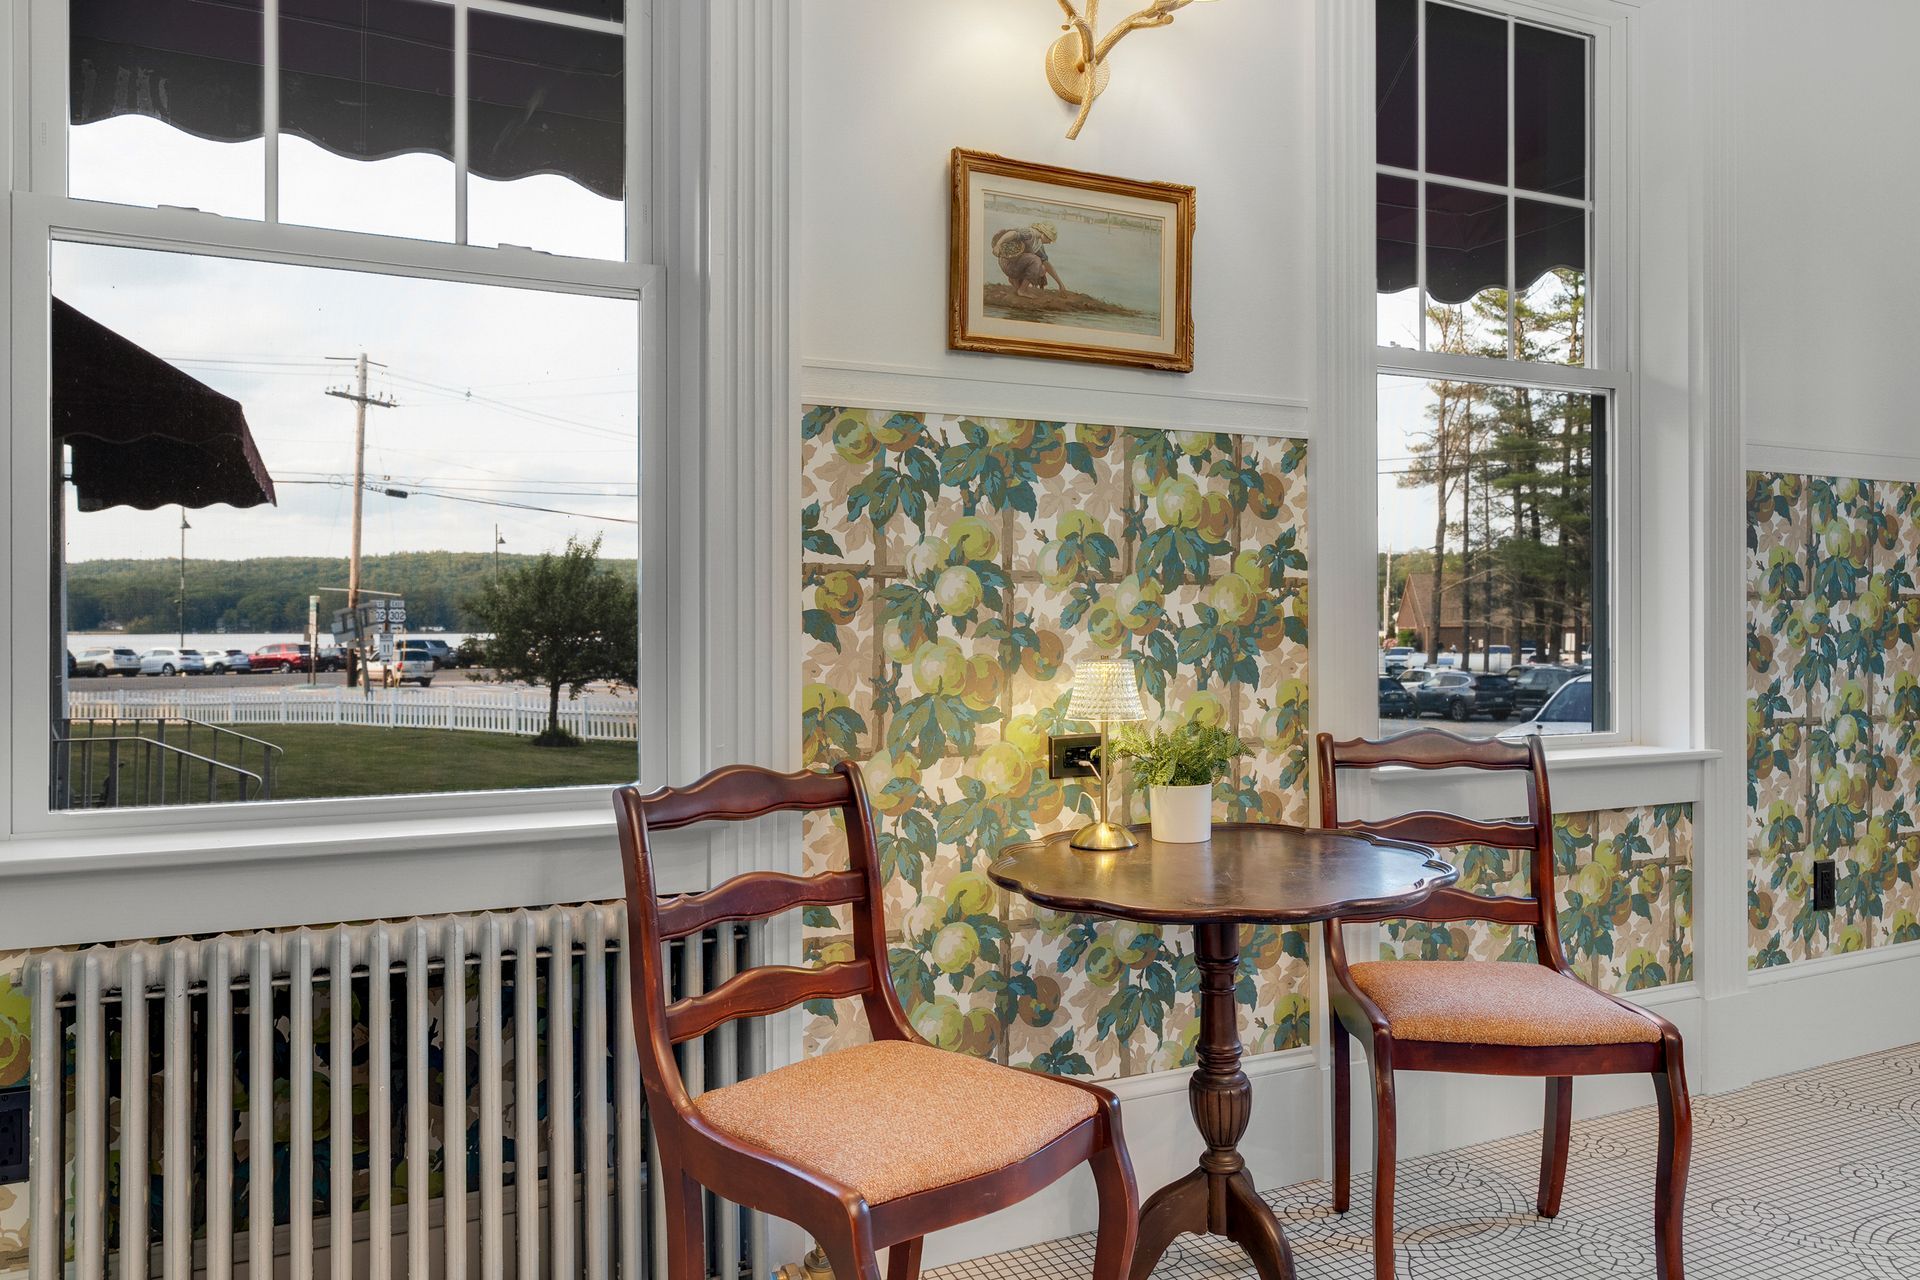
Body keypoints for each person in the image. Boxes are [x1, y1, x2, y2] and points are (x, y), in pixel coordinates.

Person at [991, 221, 1066, 296]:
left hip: (1016, 265)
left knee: (1042, 269)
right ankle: (1022, 290)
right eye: (1050, 240)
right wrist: (998, 245)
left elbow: (1046, 264)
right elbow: (1012, 233)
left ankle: (1015, 281)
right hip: (1007, 263)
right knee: (1036, 260)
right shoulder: (1029, 233)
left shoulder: (1038, 244)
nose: (1050, 242)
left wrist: (1060, 284)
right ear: (1044, 234)